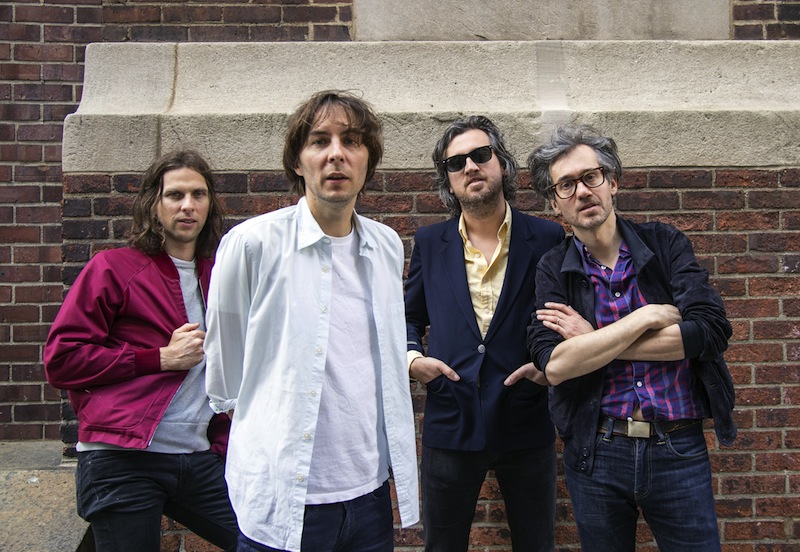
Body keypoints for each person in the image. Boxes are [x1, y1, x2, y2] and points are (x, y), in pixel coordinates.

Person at [204, 90, 419, 552]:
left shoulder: (386, 245)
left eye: (352, 141)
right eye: (320, 141)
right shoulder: (251, 245)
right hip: (286, 495)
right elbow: (224, 372)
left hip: (368, 492)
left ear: (367, 160)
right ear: (298, 162)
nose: (336, 154)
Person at [520, 124, 737, 552]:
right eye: (566, 184)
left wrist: (594, 342)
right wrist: (643, 319)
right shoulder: (553, 268)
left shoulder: (665, 244)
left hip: (678, 447)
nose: (582, 191)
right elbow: (557, 365)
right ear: (554, 203)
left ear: (613, 182)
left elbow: (710, 331)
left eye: (591, 177)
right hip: (597, 451)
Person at [43, 150, 238, 551]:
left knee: (265, 542)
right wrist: (159, 358)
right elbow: (61, 360)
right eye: (175, 195)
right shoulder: (113, 268)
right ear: (155, 203)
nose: (188, 206)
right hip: (122, 458)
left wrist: (223, 443)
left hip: (198, 458)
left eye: (199, 195)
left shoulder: (220, 277)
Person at [404, 115, 565, 552]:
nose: (470, 167)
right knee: (443, 545)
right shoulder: (430, 242)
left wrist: (550, 367)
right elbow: (408, 318)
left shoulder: (547, 236)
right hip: (450, 420)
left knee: (536, 544)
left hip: (525, 419)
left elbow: (565, 312)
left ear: (502, 164)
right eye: (456, 163)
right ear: (449, 181)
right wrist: (413, 361)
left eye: (480, 155)